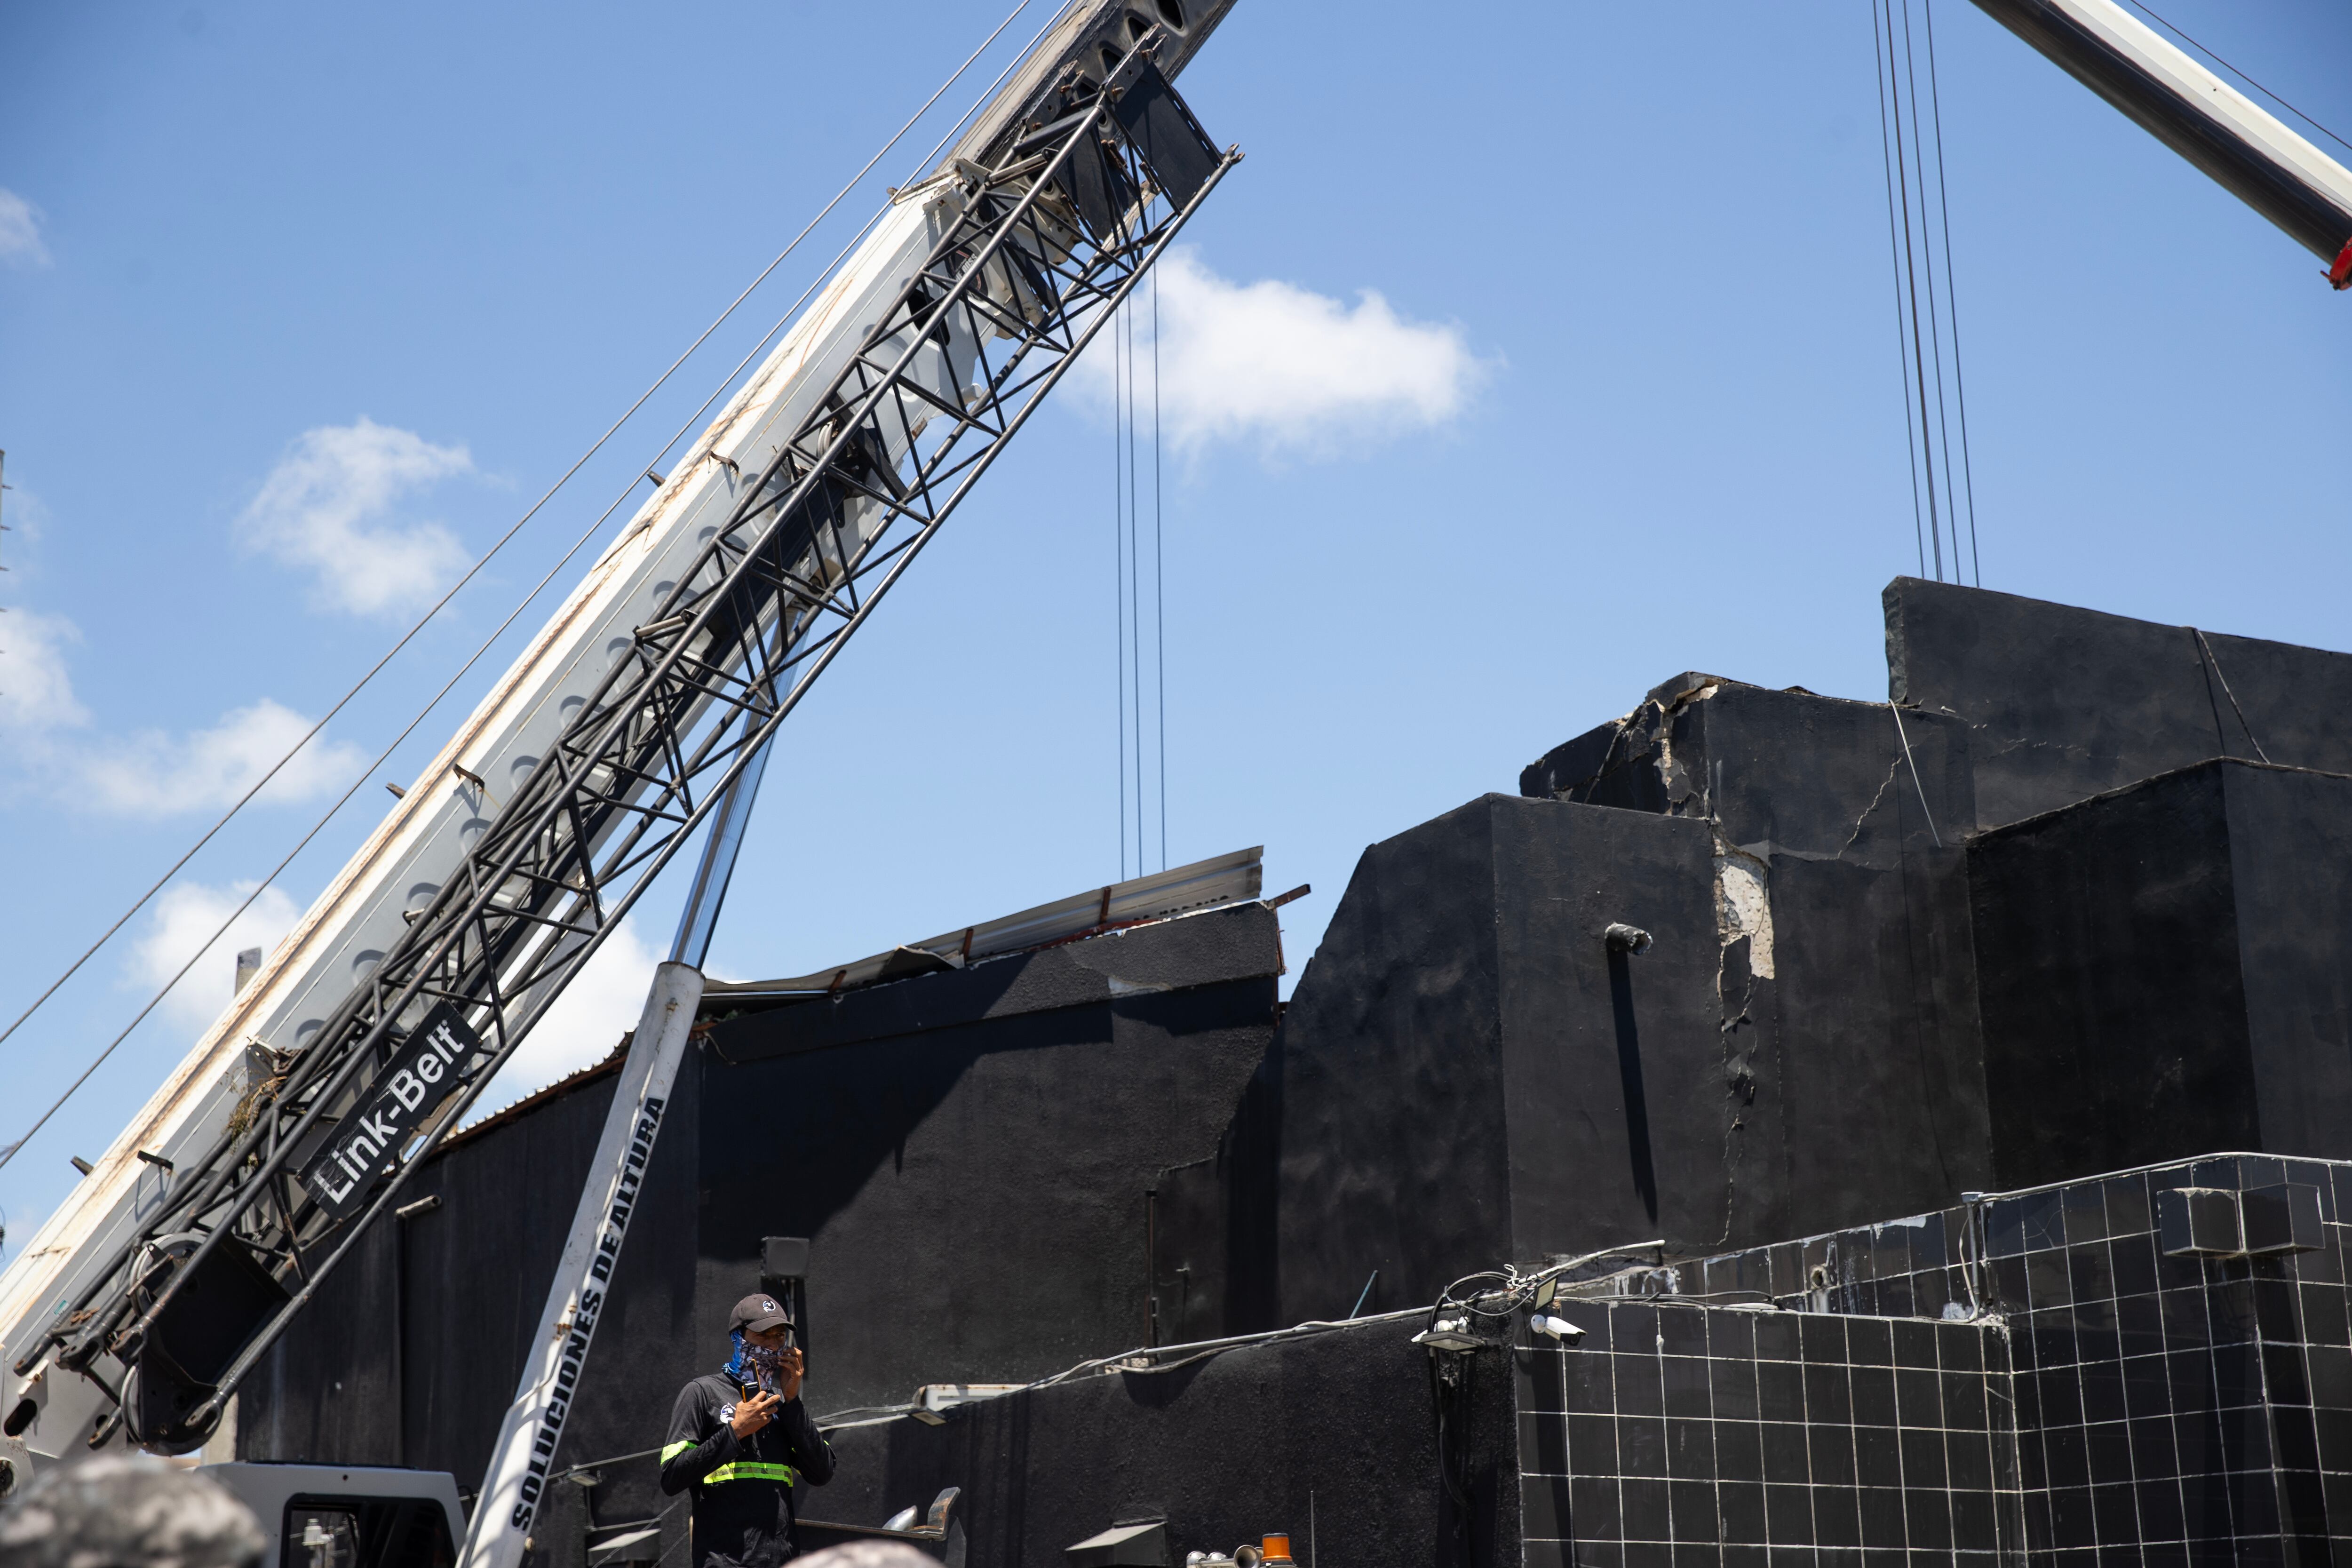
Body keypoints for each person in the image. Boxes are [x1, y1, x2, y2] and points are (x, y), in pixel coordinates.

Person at [660, 1293, 834, 1568]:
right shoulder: (702, 1393)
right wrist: (736, 1431)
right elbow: (671, 1476)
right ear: (738, 1337)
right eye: (764, 1335)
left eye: (779, 1336)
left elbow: (822, 1473)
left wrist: (792, 1401)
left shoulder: (781, 1404)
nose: (774, 1345)